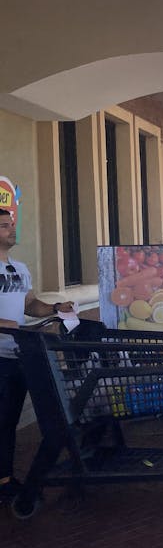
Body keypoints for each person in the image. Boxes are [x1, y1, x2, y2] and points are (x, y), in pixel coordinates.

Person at [0, 209, 74, 502]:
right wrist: (9, 325)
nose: (11, 230)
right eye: (4, 226)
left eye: (12, 224)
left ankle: (6, 477)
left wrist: (55, 309)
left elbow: (29, 303)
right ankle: (4, 482)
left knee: (12, 417)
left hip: (21, 352)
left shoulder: (20, 267)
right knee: (2, 421)